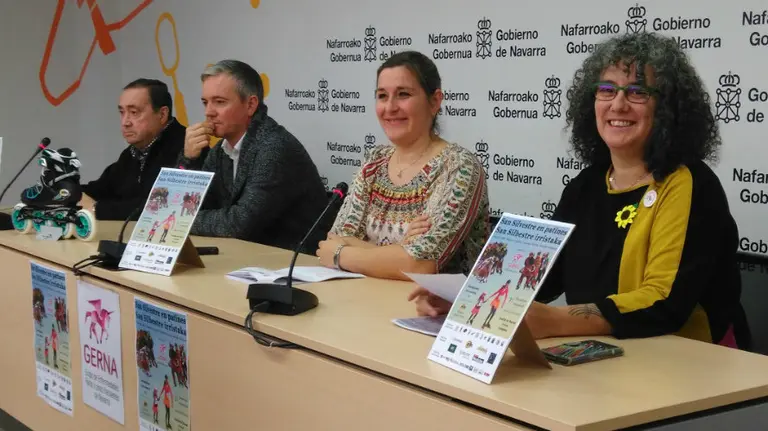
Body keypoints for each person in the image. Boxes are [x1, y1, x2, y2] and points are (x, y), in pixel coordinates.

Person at [409, 32, 750, 349]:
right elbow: (540, 276)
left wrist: (557, 320)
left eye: (638, 92)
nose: (618, 104)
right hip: (609, 355)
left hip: (689, 363)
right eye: (607, 90)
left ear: (669, 108)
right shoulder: (584, 186)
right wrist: (466, 297)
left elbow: (664, 302)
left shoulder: (688, 183)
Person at [316, 51, 490, 280]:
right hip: (365, 300)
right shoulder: (373, 164)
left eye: (403, 94)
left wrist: (343, 254)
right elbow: (334, 239)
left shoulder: (458, 167)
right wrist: (398, 252)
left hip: (433, 311)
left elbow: (421, 265)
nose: (390, 107)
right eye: (381, 96)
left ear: (435, 101)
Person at [178, 60, 329, 253]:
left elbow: (238, 225)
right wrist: (189, 160)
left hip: (293, 266)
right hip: (247, 259)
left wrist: (181, 219)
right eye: (205, 102)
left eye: (220, 102)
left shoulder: (274, 147)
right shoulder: (220, 151)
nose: (209, 112)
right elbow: (185, 205)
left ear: (250, 105)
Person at [79, 79, 185, 220]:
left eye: (134, 112)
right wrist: (67, 191)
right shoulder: (132, 153)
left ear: (162, 115)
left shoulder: (186, 149)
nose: (125, 122)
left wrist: (96, 209)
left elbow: (161, 206)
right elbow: (100, 190)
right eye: (122, 112)